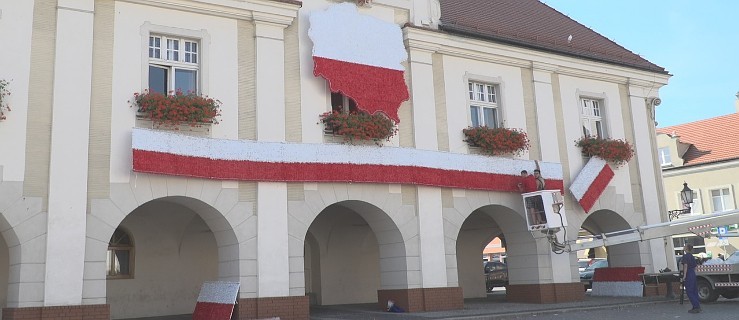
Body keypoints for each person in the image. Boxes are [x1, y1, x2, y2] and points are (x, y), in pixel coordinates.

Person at [681, 244, 701, 313]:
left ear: (686, 248)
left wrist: (684, 276)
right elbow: (695, 266)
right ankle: (696, 306)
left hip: (688, 273)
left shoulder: (685, 256)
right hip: (692, 273)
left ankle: (696, 307)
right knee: (694, 290)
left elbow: (685, 266)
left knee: (689, 291)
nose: (683, 247)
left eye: (685, 246)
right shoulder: (692, 256)